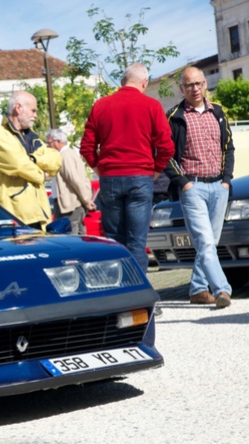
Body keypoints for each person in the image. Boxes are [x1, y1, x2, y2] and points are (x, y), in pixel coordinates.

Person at [79, 63, 175, 271]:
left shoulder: (101, 105)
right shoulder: (151, 105)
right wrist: (156, 171)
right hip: (141, 176)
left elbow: (86, 147)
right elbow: (166, 147)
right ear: (144, 83)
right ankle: (139, 296)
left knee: (114, 241)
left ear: (123, 82)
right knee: (137, 243)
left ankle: (121, 291)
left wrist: (99, 169)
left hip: (110, 178)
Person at [165, 66, 234, 309]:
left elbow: (228, 148)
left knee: (210, 242)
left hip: (218, 186)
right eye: (189, 85)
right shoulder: (173, 116)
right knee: (204, 242)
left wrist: (226, 180)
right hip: (192, 188)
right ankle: (222, 289)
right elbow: (165, 154)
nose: (194, 89)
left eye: (198, 84)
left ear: (205, 84)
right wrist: (183, 183)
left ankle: (197, 289)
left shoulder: (219, 113)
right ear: (181, 89)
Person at [0, 90, 62, 229]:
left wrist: (32, 159)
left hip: (40, 216)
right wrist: (42, 174)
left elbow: (56, 159)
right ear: (18, 108)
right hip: (15, 219)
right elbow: (20, 165)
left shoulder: (32, 137)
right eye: (33, 110)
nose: (36, 115)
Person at [45, 129, 96, 234]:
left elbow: (76, 181)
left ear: (58, 141)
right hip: (70, 204)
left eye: (49, 143)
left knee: (70, 238)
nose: (47, 146)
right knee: (78, 236)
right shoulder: (68, 155)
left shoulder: (65, 156)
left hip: (70, 205)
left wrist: (86, 201)